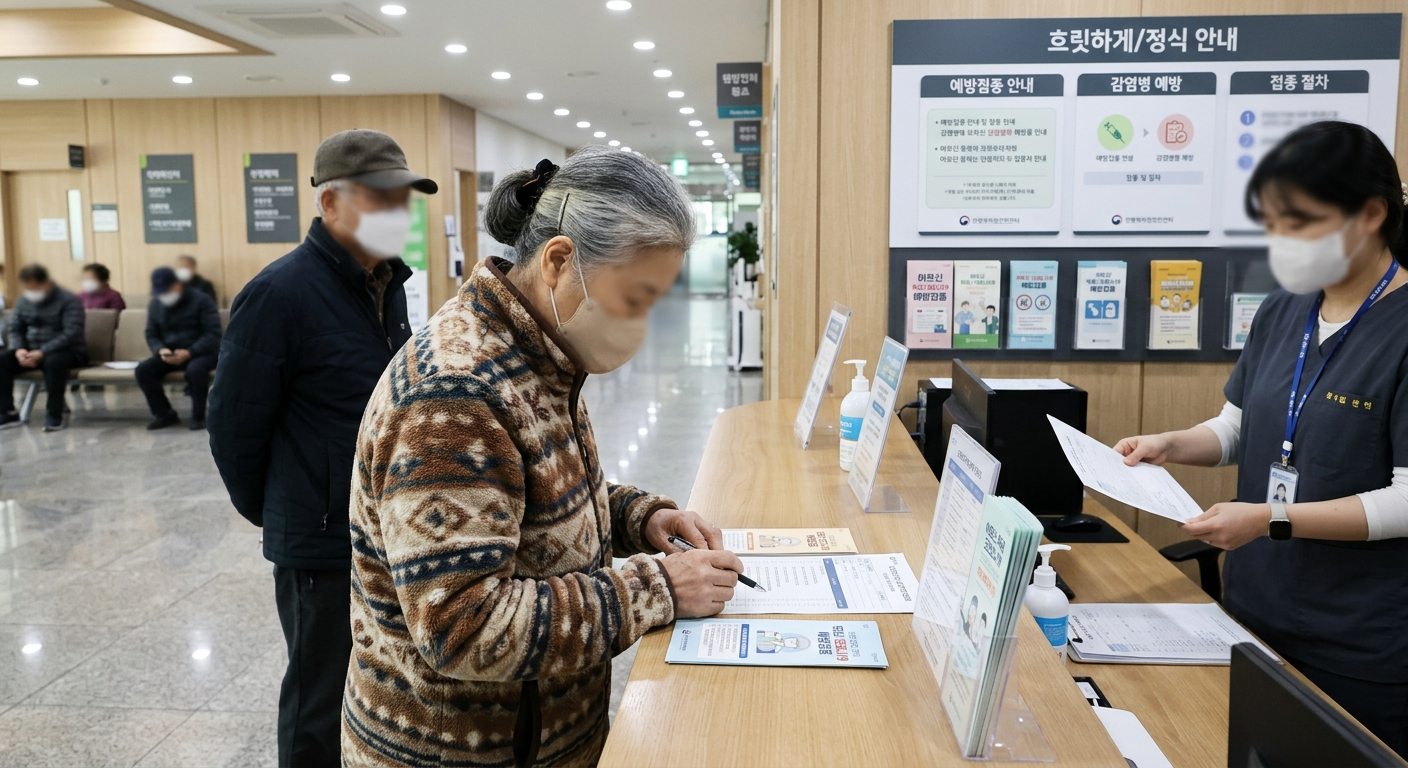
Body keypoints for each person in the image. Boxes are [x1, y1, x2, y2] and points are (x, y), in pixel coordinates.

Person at [341, 148, 743, 768]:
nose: (641, 323)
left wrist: (639, 518)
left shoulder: (540, 352)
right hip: (457, 749)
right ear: (559, 261)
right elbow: (462, 628)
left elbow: (533, 494)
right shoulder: (456, 391)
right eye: (634, 298)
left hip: (542, 736)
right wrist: (657, 586)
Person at [1114, 122, 1408, 755]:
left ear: (1371, 214)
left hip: (1358, 644)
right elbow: (1239, 428)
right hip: (1255, 615)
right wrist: (1169, 443)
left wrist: (1272, 519)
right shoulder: (1285, 309)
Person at [208, 129, 434, 768]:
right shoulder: (279, 293)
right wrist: (288, 513)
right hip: (320, 537)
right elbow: (233, 425)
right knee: (319, 694)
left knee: (372, 685)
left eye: (402, 201)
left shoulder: (385, 286)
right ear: (329, 204)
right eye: (378, 200)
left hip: (381, 530)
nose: (395, 215)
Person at [0, 264, 85, 431]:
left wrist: (42, 352)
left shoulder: (68, 300)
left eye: (34, 287)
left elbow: (72, 332)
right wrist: (19, 350)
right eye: (27, 288)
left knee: (54, 363)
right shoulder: (24, 300)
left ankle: (54, 415)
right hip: (30, 351)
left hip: (66, 352)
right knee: (2, 361)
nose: (31, 292)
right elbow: (15, 328)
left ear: (46, 283)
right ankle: (7, 412)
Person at [136, 267, 220, 431]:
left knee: (196, 371)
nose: (164, 295)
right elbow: (151, 333)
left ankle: (198, 417)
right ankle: (164, 414)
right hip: (170, 353)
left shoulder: (202, 300)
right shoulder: (156, 304)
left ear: (178, 285)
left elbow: (213, 334)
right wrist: (160, 350)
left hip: (200, 353)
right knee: (143, 370)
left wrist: (190, 352)